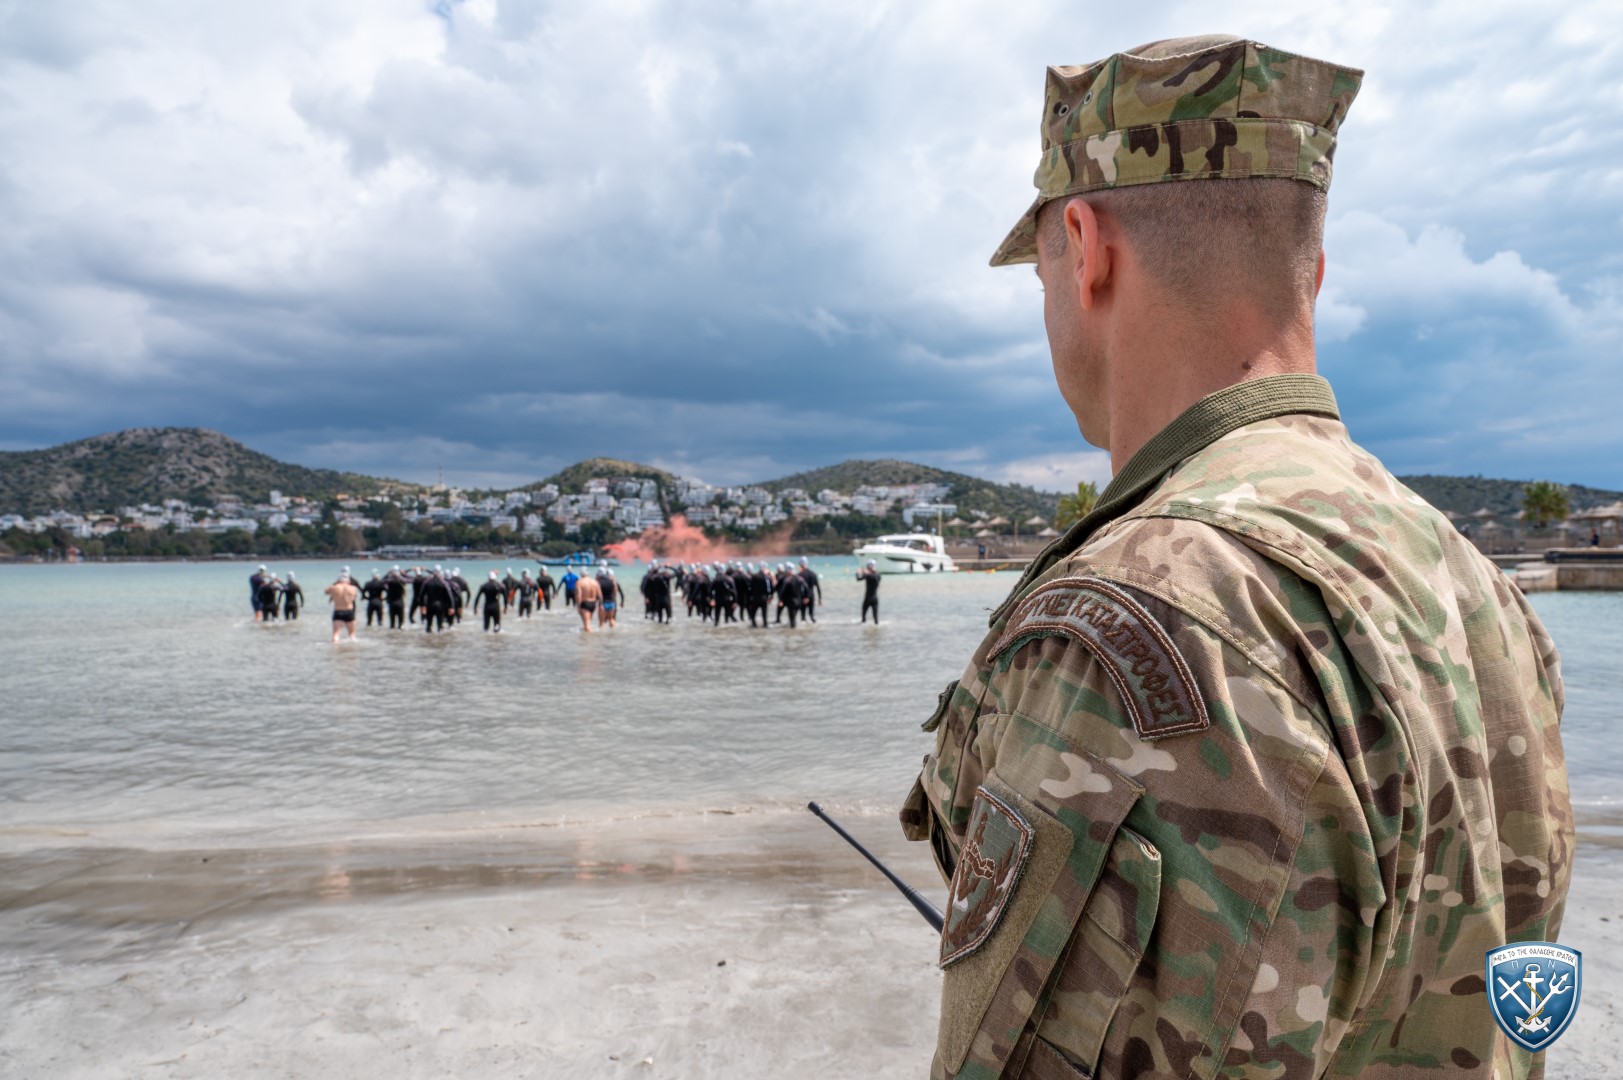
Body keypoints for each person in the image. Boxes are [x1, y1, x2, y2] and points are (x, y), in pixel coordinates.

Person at [898, 37, 1570, 1080]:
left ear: (1086, 247)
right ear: (1315, 271)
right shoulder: (1471, 584)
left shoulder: (1141, 620)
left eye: (1040, 271)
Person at [324, 572, 359, 643]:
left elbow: (326, 592)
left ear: (338, 580)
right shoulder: (353, 588)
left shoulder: (334, 587)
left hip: (338, 611)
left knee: (336, 634)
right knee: (352, 635)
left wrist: (334, 585)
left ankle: (335, 650)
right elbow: (354, 597)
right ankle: (352, 651)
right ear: (348, 581)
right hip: (349, 611)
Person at [797, 556, 822, 624]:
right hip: (811, 596)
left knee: (803, 617)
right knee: (811, 616)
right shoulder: (813, 574)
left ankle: (804, 631)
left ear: (800, 565)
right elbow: (818, 587)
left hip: (803, 597)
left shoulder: (799, 575)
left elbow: (797, 588)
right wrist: (820, 599)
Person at [855, 560, 880, 624]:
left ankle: (864, 631)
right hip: (875, 598)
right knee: (876, 621)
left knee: (863, 619)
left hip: (868, 598)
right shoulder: (878, 575)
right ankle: (876, 632)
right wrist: (866, 573)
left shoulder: (868, 576)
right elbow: (874, 577)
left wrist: (857, 573)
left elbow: (858, 579)